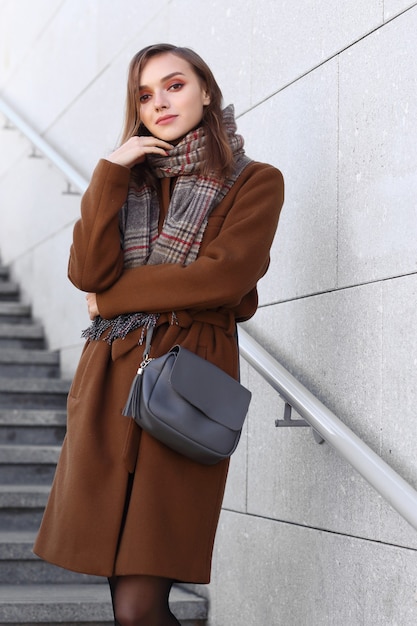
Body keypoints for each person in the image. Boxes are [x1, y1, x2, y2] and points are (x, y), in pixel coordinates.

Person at [33, 43, 284, 625]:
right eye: (145, 95)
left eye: (174, 85)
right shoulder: (127, 183)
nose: (159, 102)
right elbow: (86, 273)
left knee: (140, 605)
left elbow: (221, 278)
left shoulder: (255, 181)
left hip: (187, 381)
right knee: (123, 594)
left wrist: (110, 301)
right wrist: (108, 173)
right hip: (109, 381)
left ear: (206, 91)